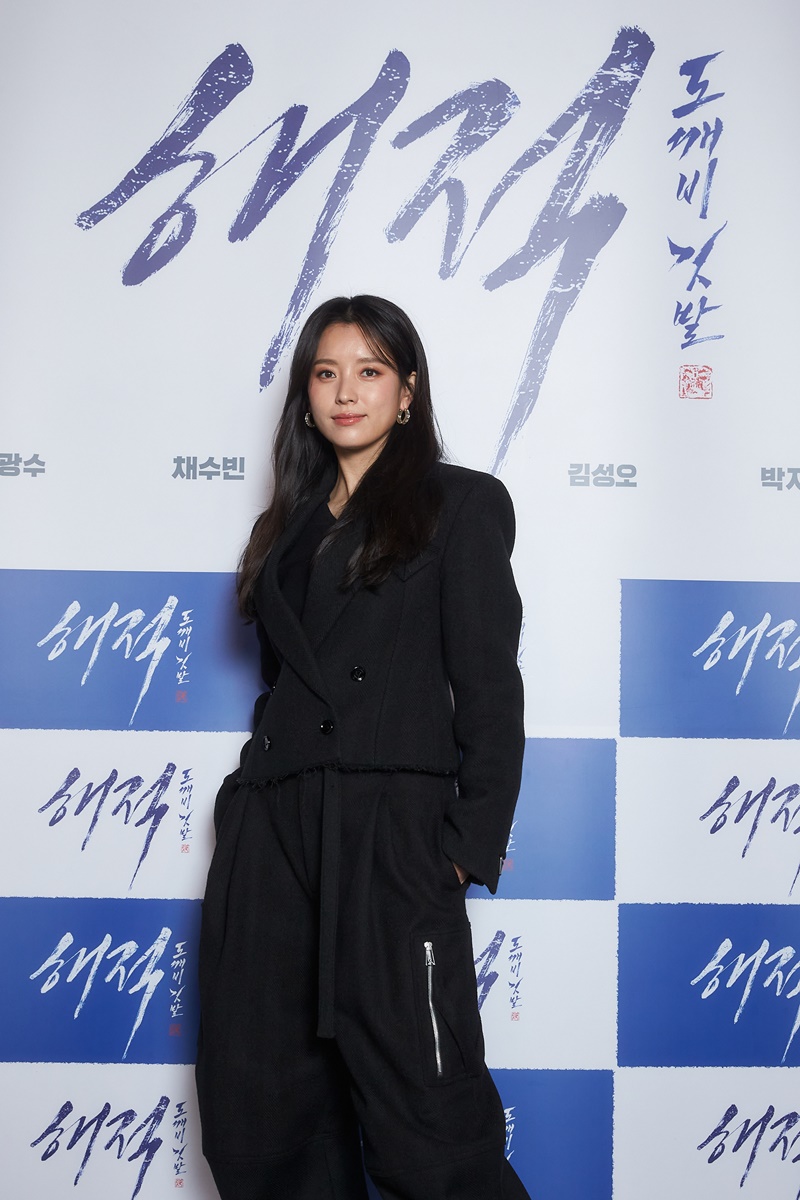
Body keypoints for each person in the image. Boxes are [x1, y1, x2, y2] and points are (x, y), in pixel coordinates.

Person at [196, 295, 530, 1200]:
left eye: (370, 371)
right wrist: (247, 823)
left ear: (407, 392)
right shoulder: (287, 529)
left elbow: (491, 689)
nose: (347, 392)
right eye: (326, 373)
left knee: (431, 1134)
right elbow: (287, 685)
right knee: (266, 1122)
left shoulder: (461, 505)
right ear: (306, 396)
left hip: (390, 835)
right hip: (276, 839)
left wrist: (458, 852)